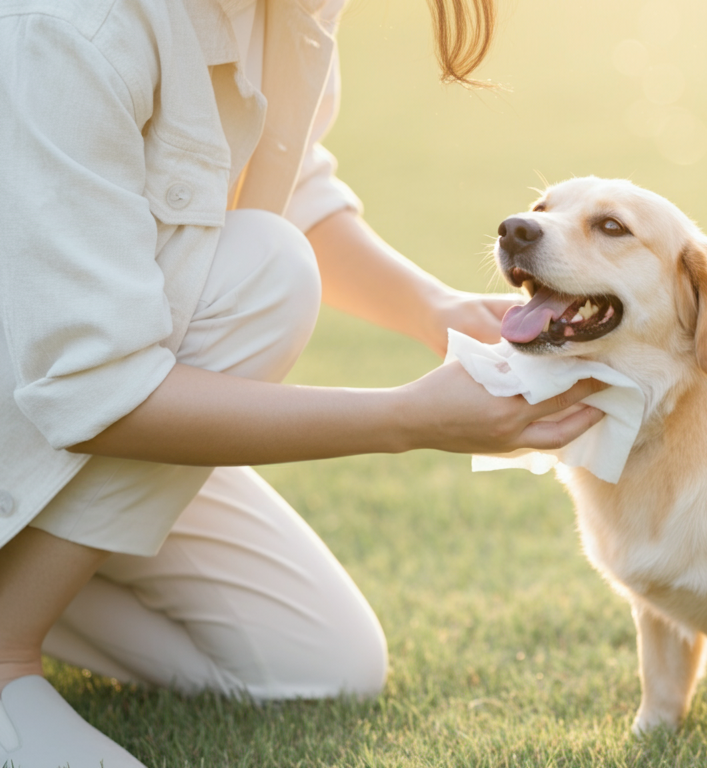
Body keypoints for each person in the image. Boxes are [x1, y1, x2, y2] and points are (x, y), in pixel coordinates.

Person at [0, 0, 593, 765]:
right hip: (42, 386)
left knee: (317, 666)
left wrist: (436, 311)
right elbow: (94, 389)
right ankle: (10, 657)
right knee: (267, 273)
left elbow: (282, 180)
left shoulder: (296, 9)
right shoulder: (73, 26)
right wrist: (408, 419)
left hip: (74, 397)